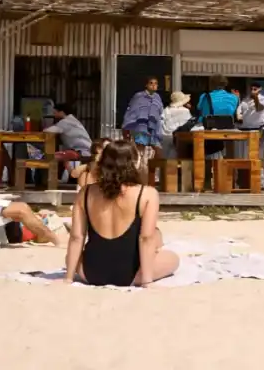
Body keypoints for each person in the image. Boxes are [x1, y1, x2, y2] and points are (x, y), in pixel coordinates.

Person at [64, 141, 180, 286]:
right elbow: (146, 238)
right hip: (130, 275)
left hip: (91, 273)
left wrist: (68, 278)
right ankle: (145, 277)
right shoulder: (147, 194)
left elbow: (76, 237)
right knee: (173, 258)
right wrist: (147, 281)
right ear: (134, 163)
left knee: (70, 257)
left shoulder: (86, 192)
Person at [44, 103, 93, 175]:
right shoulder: (72, 120)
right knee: (58, 155)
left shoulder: (65, 122)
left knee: (51, 157)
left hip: (82, 151)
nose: (54, 115)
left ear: (61, 112)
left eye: (55, 112)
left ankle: (52, 178)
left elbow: (47, 131)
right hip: (85, 150)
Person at [123, 77, 165, 158]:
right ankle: (139, 167)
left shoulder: (157, 97)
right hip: (141, 126)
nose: (153, 85)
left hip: (154, 127)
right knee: (140, 149)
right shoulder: (139, 96)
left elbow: (160, 111)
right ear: (146, 85)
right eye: (151, 83)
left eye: (155, 83)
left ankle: (156, 169)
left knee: (157, 148)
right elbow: (132, 110)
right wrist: (127, 127)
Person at [160, 91, 193, 158]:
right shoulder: (185, 111)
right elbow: (189, 124)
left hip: (166, 136)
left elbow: (161, 122)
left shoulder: (166, 110)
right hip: (179, 137)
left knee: (166, 158)